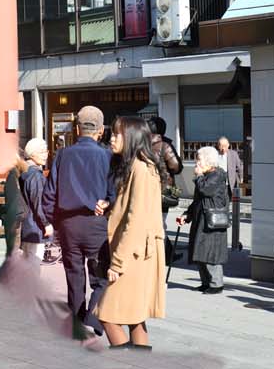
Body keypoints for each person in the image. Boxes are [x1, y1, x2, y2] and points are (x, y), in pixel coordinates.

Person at [95, 116, 167, 350]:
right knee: (136, 317)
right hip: (140, 251)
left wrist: (117, 263)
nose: (112, 138)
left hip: (135, 254)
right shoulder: (140, 164)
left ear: (132, 138)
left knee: (107, 313)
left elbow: (136, 220)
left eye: (117, 134)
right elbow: (133, 210)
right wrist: (111, 208)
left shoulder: (141, 167)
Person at [42, 105, 113, 341]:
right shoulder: (107, 156)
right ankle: (94, 311)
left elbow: (49, 193)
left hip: (68, 223)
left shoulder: (63, 155)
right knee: (100, 275)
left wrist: (51, 222)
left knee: (74, 274)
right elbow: (114, 192)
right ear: (101, 130)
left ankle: (76, 318)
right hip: (97, 222)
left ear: (77, 128)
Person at [182, 146, 230, 294]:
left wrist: (199, 176)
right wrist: (187, 215)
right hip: (201, 219)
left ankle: (216, 284)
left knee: (211, 253)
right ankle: (205, 282)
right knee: (200, 252)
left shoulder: (217, 175)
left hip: (212, 221)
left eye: (199, 159)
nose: (197, 162)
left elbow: (205, 190)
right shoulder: (205, 175)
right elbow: (197, 200)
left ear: (209, 161)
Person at [16, 138, 50, 261]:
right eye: (41, 152)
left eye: (46, 151)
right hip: (35, 227)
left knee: (26, 263)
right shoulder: (35, 175)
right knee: (33, 264)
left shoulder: (24, 172)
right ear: (32, 154)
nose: (45, 155)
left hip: (25, 225)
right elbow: (39, 203)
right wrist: (47, 224)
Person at [147, 115, 183, 220]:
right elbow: (176, 167)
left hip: (144, 188)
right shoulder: (165, 146)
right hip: (163, 190)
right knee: (160, 220)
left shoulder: (139, 144)